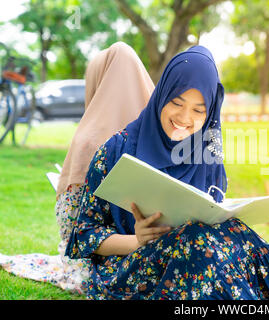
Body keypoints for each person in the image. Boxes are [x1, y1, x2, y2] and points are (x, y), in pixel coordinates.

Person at [65, 43, 269, 300]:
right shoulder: (116, 150)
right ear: (162, 94)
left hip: (198, 259)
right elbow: (84, 234)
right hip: (130, 269)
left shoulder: (207, 153)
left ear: (210, 111)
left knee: (245, 241)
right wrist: (137, 239)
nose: (185, 117)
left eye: (198, 110)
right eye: (176, 102)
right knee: (198, 240)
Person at [0, 42, 155, 294]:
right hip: (156, 255)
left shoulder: (90, 139)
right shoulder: (159, 136)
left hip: (99, 258)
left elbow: (71, 225)